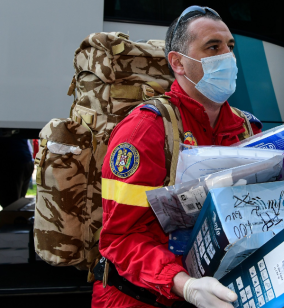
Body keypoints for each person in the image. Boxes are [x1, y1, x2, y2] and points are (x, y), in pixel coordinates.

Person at [92, 6, 262, 308]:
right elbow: (120, 237)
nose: (228, 56)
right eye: (213, 46)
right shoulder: (146, 130)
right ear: (179, 63)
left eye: (230, 46)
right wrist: (185, 286)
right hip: (138, 299)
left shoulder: (248, 129)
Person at [0, 137, 34, 222]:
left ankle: (12, 229)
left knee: (10, 205)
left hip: (9, 163)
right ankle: (18, 227)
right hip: (26, 160)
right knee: (18, 203)